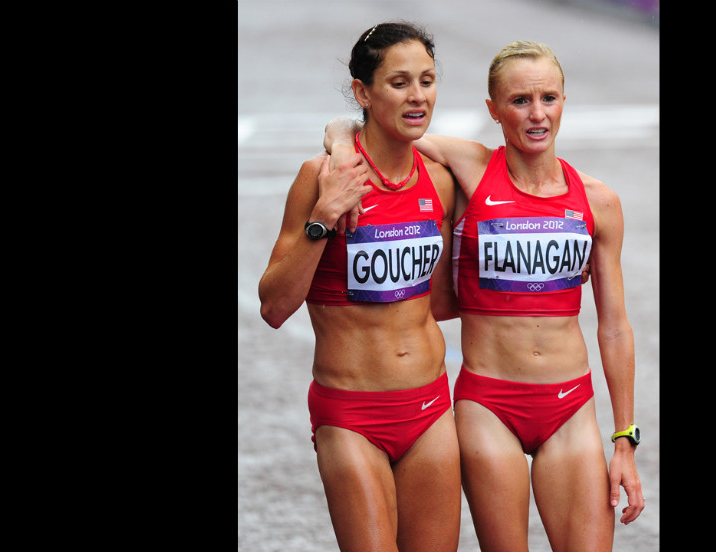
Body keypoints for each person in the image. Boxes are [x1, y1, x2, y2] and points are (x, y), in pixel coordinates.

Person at [325, 40, 644, 551]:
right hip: (488, 403)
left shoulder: (599, 201)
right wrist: (341, 146)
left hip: (570, 404)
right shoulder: (470, 167)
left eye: (549, 98)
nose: (537, 114)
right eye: (519, 101)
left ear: (564, 101)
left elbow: (615, 326)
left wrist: (625, 439)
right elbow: (362, 127)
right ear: (493, 110)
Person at [258, 22, 461, 552]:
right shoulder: (320, 177)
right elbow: (274, 306)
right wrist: (323, 217)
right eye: (399, 83)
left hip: (431, 409)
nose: (418, 96)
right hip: (351, 414)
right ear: (362, 92)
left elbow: (441, 298)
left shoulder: (439, 180)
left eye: (427, 80)